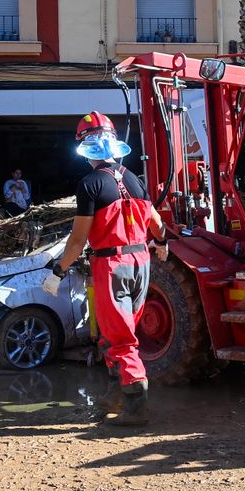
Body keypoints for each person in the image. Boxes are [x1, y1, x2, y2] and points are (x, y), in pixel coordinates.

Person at [44, 112, 167, 426]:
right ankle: (114, 398)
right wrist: (162, 244)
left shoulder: (89, 185)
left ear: (85, 148)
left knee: (121, 338)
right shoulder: (134, 178)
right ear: (113, 144)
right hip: (141, 263)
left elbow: (77, 241)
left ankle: (136, 408)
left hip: (111, 265)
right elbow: (157, 224)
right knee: (115, 335)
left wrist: (57, 272)